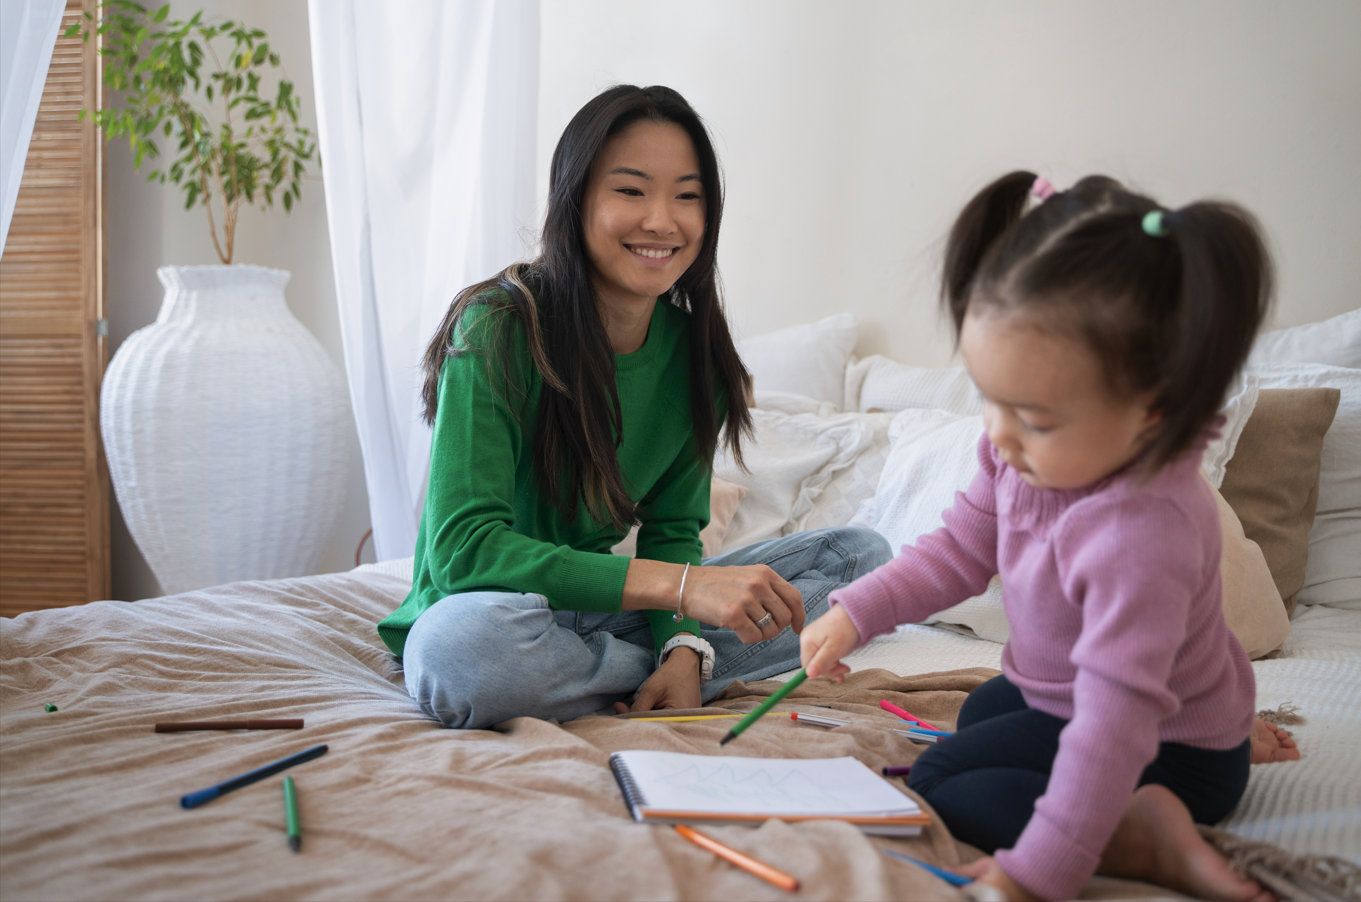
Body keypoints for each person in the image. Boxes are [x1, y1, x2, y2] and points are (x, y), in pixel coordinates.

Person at [799, 172, 1283, 902]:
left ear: (1154, 408)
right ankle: (1218, 737)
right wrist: (857, 610)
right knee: (986, 709)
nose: (999, 436)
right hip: (1092, 700)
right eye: (990, 399)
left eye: (1036, 418)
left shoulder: (1138, 533)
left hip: (1165, 746)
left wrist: (1036, 872)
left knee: (939, 778)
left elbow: (1113, 726)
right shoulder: (1016, 455)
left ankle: (1143, 833)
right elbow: (960, 549)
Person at [379, 84, 890, 730]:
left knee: (861, 561)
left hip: (598, 608)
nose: (660, 220)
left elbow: (674, 530)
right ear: (576, 200)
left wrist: (681, 646)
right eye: (630, 191)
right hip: (488, 610)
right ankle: (656, 664)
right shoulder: (498, 326)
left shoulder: (693, 354)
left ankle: (662, 666)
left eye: (686, 195)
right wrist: (681, 595)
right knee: (460, 655)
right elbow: (465, 552)